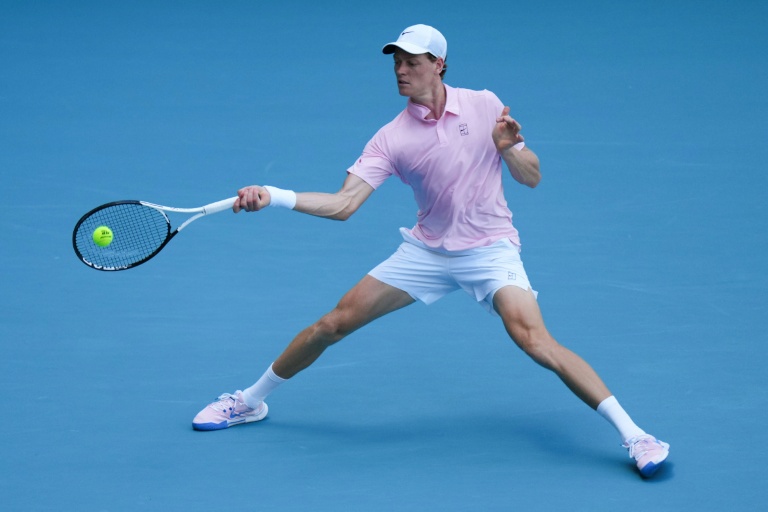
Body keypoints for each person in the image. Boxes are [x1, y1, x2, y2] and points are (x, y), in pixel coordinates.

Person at [192, 24, 670, 478]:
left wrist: (508, 148)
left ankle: (637, 437)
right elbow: (343, 204)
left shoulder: (485, 105)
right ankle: (249, 401)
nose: (401, 71)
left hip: (490, 250)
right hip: (427, 253)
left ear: (439, 64)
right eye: (396, 63)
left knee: (534, 340)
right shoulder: (391, 137)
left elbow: (532, 176)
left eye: (412, 62)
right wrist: (275, 195)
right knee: (332, 324)